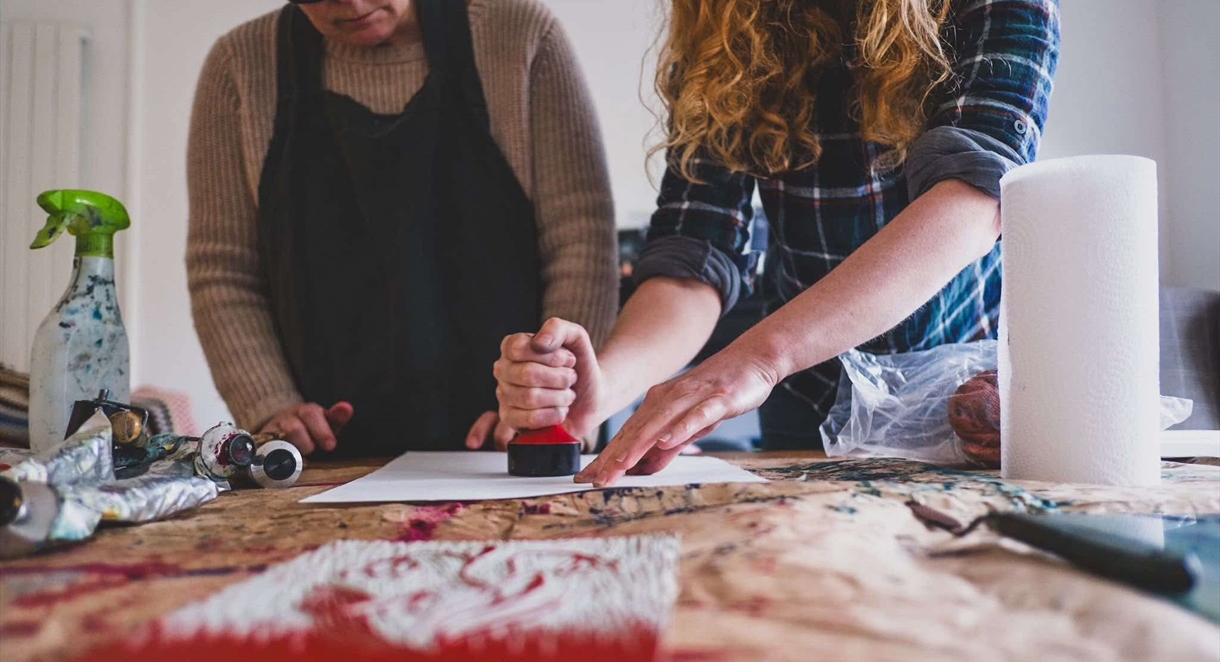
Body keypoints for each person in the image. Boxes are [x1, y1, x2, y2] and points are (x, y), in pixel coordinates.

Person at [494, 0, 1060, 484]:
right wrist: (606, 389)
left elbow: (973, 198)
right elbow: (695, 250)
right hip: (809, 404)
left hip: (967, 400)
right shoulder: (727, 22)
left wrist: (759, 359)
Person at [186, 0, 617, 456]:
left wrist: (551, 406)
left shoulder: (520, 37)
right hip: (323, 458)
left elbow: (580, 241)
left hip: (511, 448)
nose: (351, 4)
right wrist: (270, 405)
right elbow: (224, 271)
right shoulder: (241, 65)